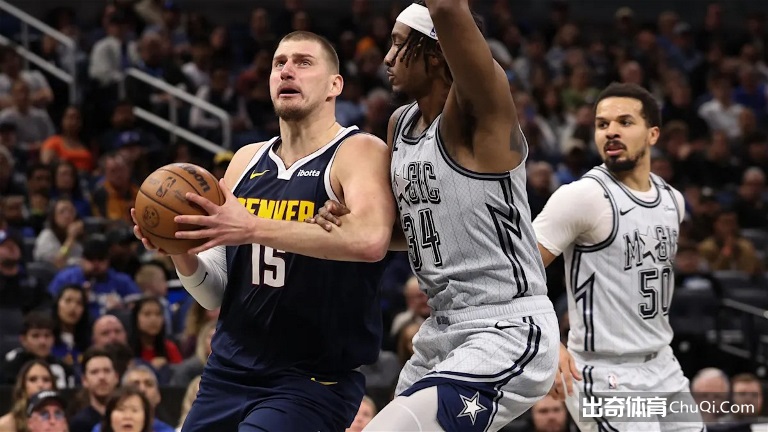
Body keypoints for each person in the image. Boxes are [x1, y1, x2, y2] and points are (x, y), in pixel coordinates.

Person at [132, 30, 395, 431]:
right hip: (227, 372)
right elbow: (213, 294)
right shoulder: (245, 161)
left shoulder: (358, 151)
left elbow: (371, 240)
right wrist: (179, 248)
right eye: (279, 63)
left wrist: (252, 227)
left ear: (335, 85)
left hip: (311, 380)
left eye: (303, 62)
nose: (287, 71)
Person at [312, 1, 558, 430]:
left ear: (436, 53)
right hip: (439, 329)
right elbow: (406, 230)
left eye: (398, 44)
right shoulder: (400, 124)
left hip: (505, 326)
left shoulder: (479, 114)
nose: (387, 57)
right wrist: (350, 221)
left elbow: (446, 8)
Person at [531, 82, 704, 430]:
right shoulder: (582, 197)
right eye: (602, 124)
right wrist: (547, 343)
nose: (611, 131)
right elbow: (516, 275)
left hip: (663, 362)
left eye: (625, 122)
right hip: (604, 371)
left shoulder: (673, 200)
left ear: (653, 134)